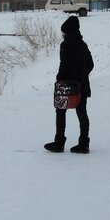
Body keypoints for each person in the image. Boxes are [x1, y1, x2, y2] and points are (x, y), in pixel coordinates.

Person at [45, 14, 94, 154]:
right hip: (82, 85)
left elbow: (64, 64)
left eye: (63, 32)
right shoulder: (83, 45)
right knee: (82, 113)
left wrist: (59, 78)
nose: (62, 35)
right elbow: (91, 64)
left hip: (66, 85)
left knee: (60, 111)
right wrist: (81, 76)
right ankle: (84, 144)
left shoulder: (65, 45)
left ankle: (59, 142)